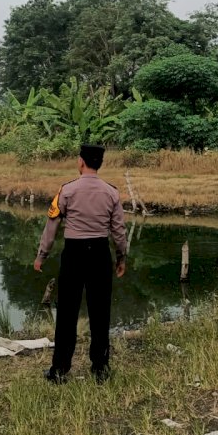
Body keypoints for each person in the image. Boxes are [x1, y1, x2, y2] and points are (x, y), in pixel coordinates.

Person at [34, 143, 127, 383]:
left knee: (66, 312)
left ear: (81, 162)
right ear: (100, 163)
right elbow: (118, 230)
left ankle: (60, 370)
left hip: (73, 254)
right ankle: (100, 368)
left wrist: (42, 254)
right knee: (100, 312)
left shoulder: (66, 191)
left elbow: (52, 225)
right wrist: (121, 257)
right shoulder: (111, 192)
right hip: (99, 254)